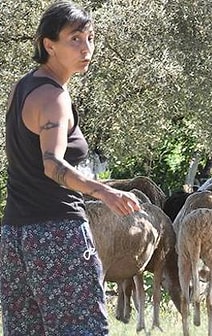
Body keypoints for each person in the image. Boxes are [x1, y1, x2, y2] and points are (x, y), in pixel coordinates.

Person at [0, 2, 141, 335]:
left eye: (90, 38)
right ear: (49, 45)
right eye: (75, 39)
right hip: (58, 235)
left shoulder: (22, 88)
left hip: (15, 237)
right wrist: (104, 191)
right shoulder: (54, 99)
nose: (86, 47)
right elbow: (52, 165)